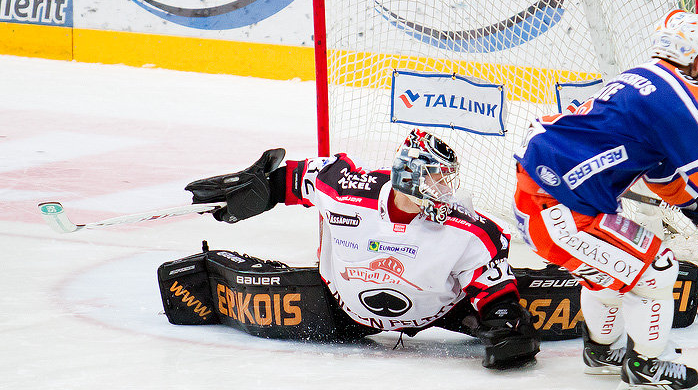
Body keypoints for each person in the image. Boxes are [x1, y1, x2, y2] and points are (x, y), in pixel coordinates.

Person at [512, 9, 698, 390]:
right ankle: (646, 369)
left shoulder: (639, 80)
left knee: (609, 274)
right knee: (658, 269)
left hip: (547, 202)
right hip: (561, 212)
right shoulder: (679, 95)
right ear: (697, 55)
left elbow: (659, 170)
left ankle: (602, 353)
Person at [185, 129, 540, 369]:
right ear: (409, 176)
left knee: (517, 329)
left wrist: (503, 316)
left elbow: (491, 288)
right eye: (437, 177)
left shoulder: (469, 229)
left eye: (448, 179)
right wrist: (260, 191)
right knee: (251, 305)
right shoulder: (346, 190)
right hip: (339, 306)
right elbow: (295, 179)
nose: (446, 189)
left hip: (443, 311)